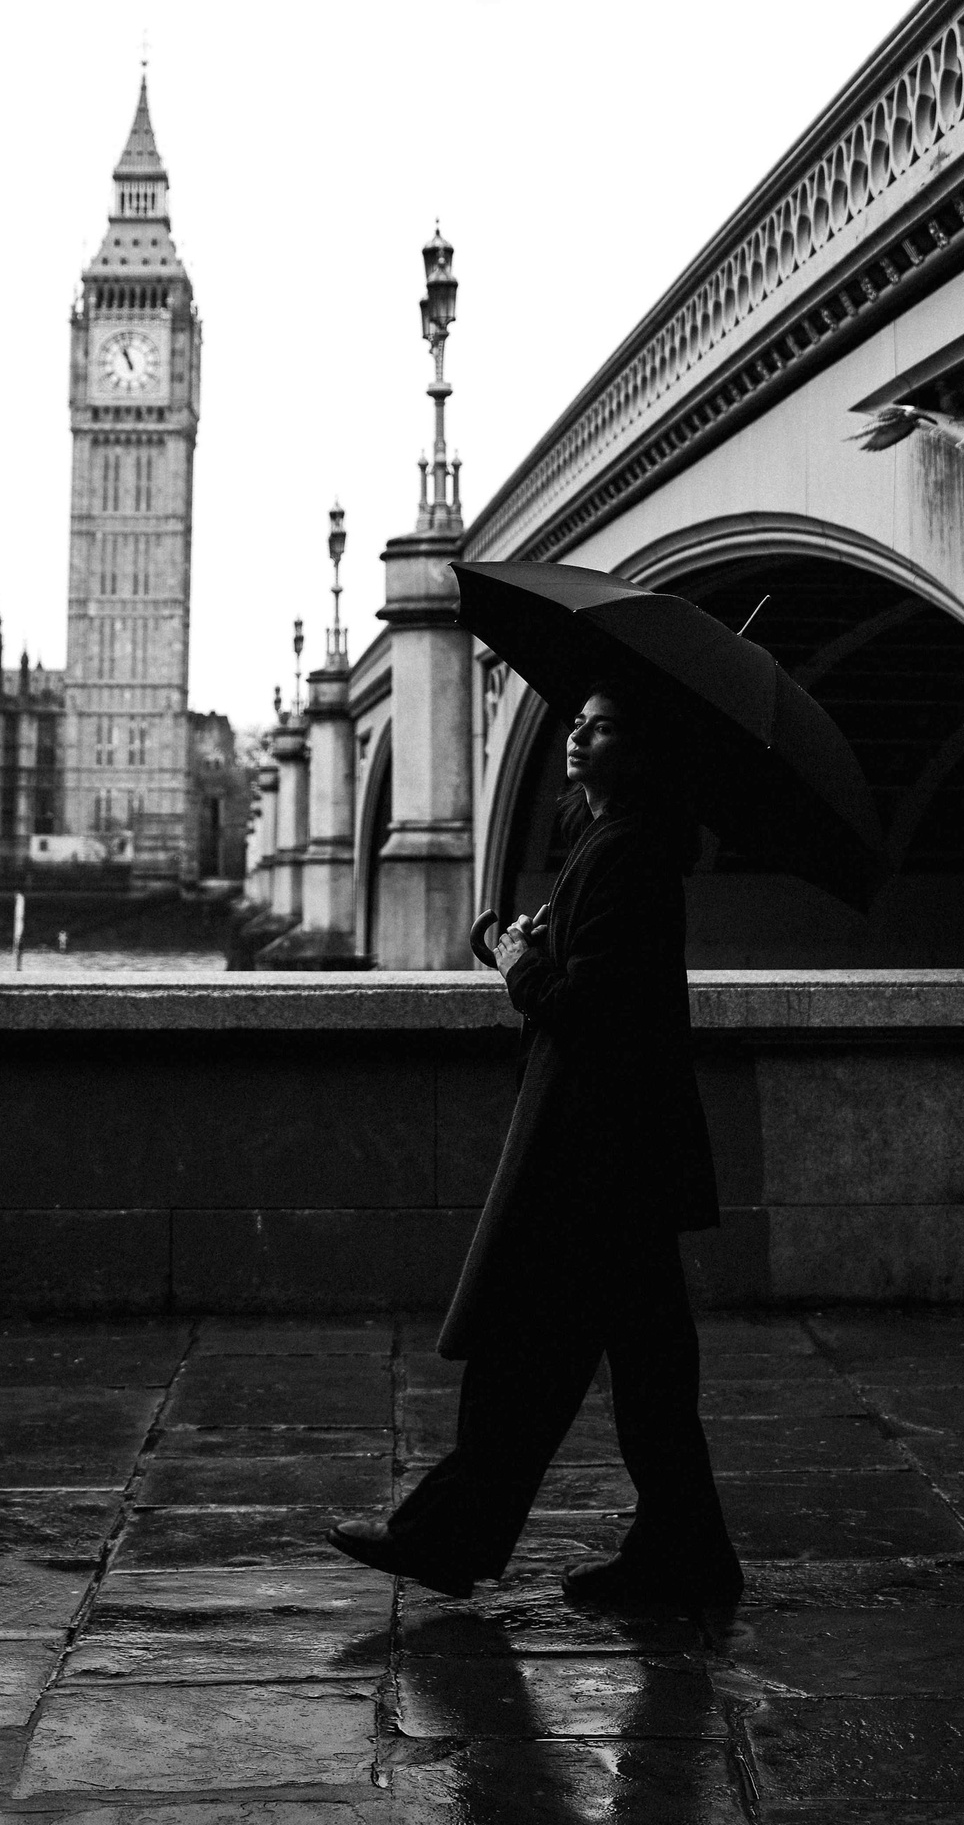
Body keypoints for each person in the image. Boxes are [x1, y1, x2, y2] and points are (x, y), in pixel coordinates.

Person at [330, 685, 743, 1608]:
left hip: (596, 1155)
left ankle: (455, 1537)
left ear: (642, 751)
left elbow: (591, 1011)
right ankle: (683, 1553)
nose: (577, 736)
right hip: (622, 1154)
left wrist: (521, 965)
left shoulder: (627, 852)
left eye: (605, 726)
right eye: (578, 722)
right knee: (643, 1373)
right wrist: (525, 947)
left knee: (529, 1355)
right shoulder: (614, 843)